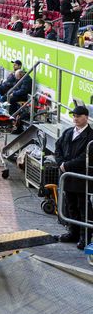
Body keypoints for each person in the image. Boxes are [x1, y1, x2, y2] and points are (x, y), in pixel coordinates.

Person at [54, 105, 93, 248]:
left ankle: (85, 236)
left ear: (86, 117)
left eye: (78, 116)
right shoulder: (68, 132)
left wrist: (67, 165)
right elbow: (58, 147)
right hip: (68, 176)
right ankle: (73, 232)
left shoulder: (91, 136)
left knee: (83, 207)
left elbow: (86, 157)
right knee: (70, 205)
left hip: (81, 178)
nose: (75, 119)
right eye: (74, 116)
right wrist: (60, 163)